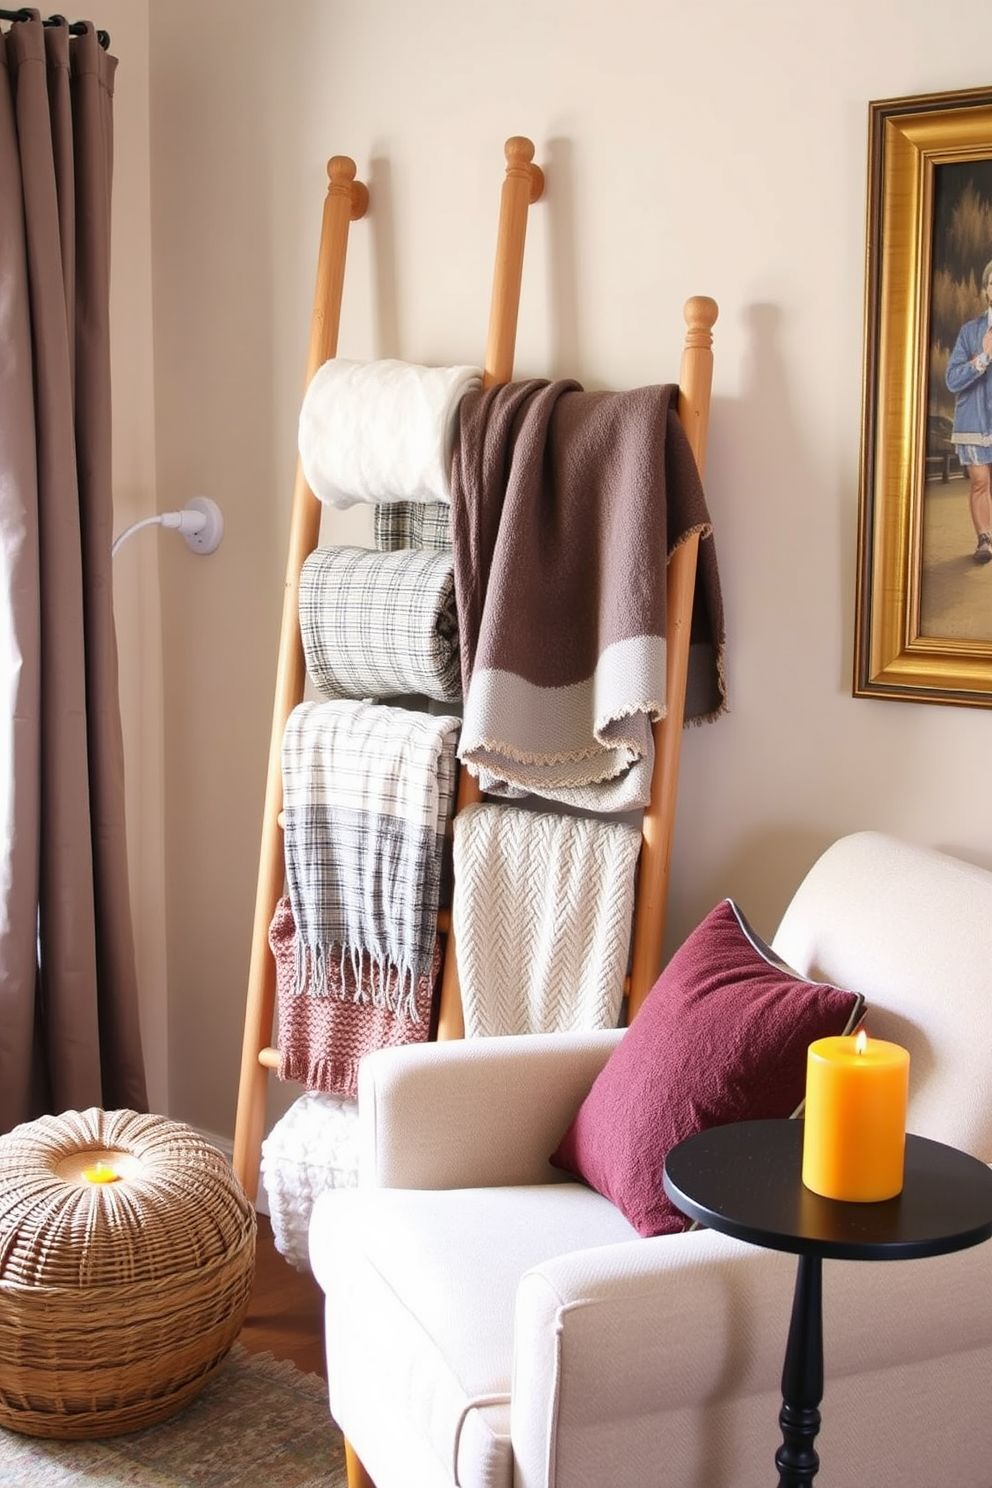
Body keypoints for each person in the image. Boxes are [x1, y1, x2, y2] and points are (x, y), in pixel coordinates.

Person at [946, 257, 992, 564]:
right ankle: (985, 540)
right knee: (979, 481)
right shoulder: (970, 331)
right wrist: (983, 357)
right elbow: (951, 380)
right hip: (975, 420)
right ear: (987, 289)